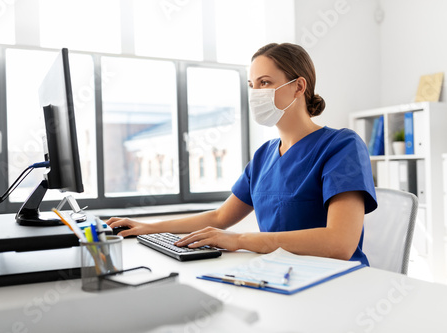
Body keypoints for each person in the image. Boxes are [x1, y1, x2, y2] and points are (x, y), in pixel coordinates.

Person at [107, 43, 377, 265]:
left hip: (337, 281)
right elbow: (219, 218)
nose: (256, 93)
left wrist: (239, 240)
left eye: (265, 82)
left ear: (298, 86)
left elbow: (340, 243)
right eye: (251, 85)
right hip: (281, 273)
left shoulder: (341, 146)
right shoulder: (264, 156)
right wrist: (148, 227)